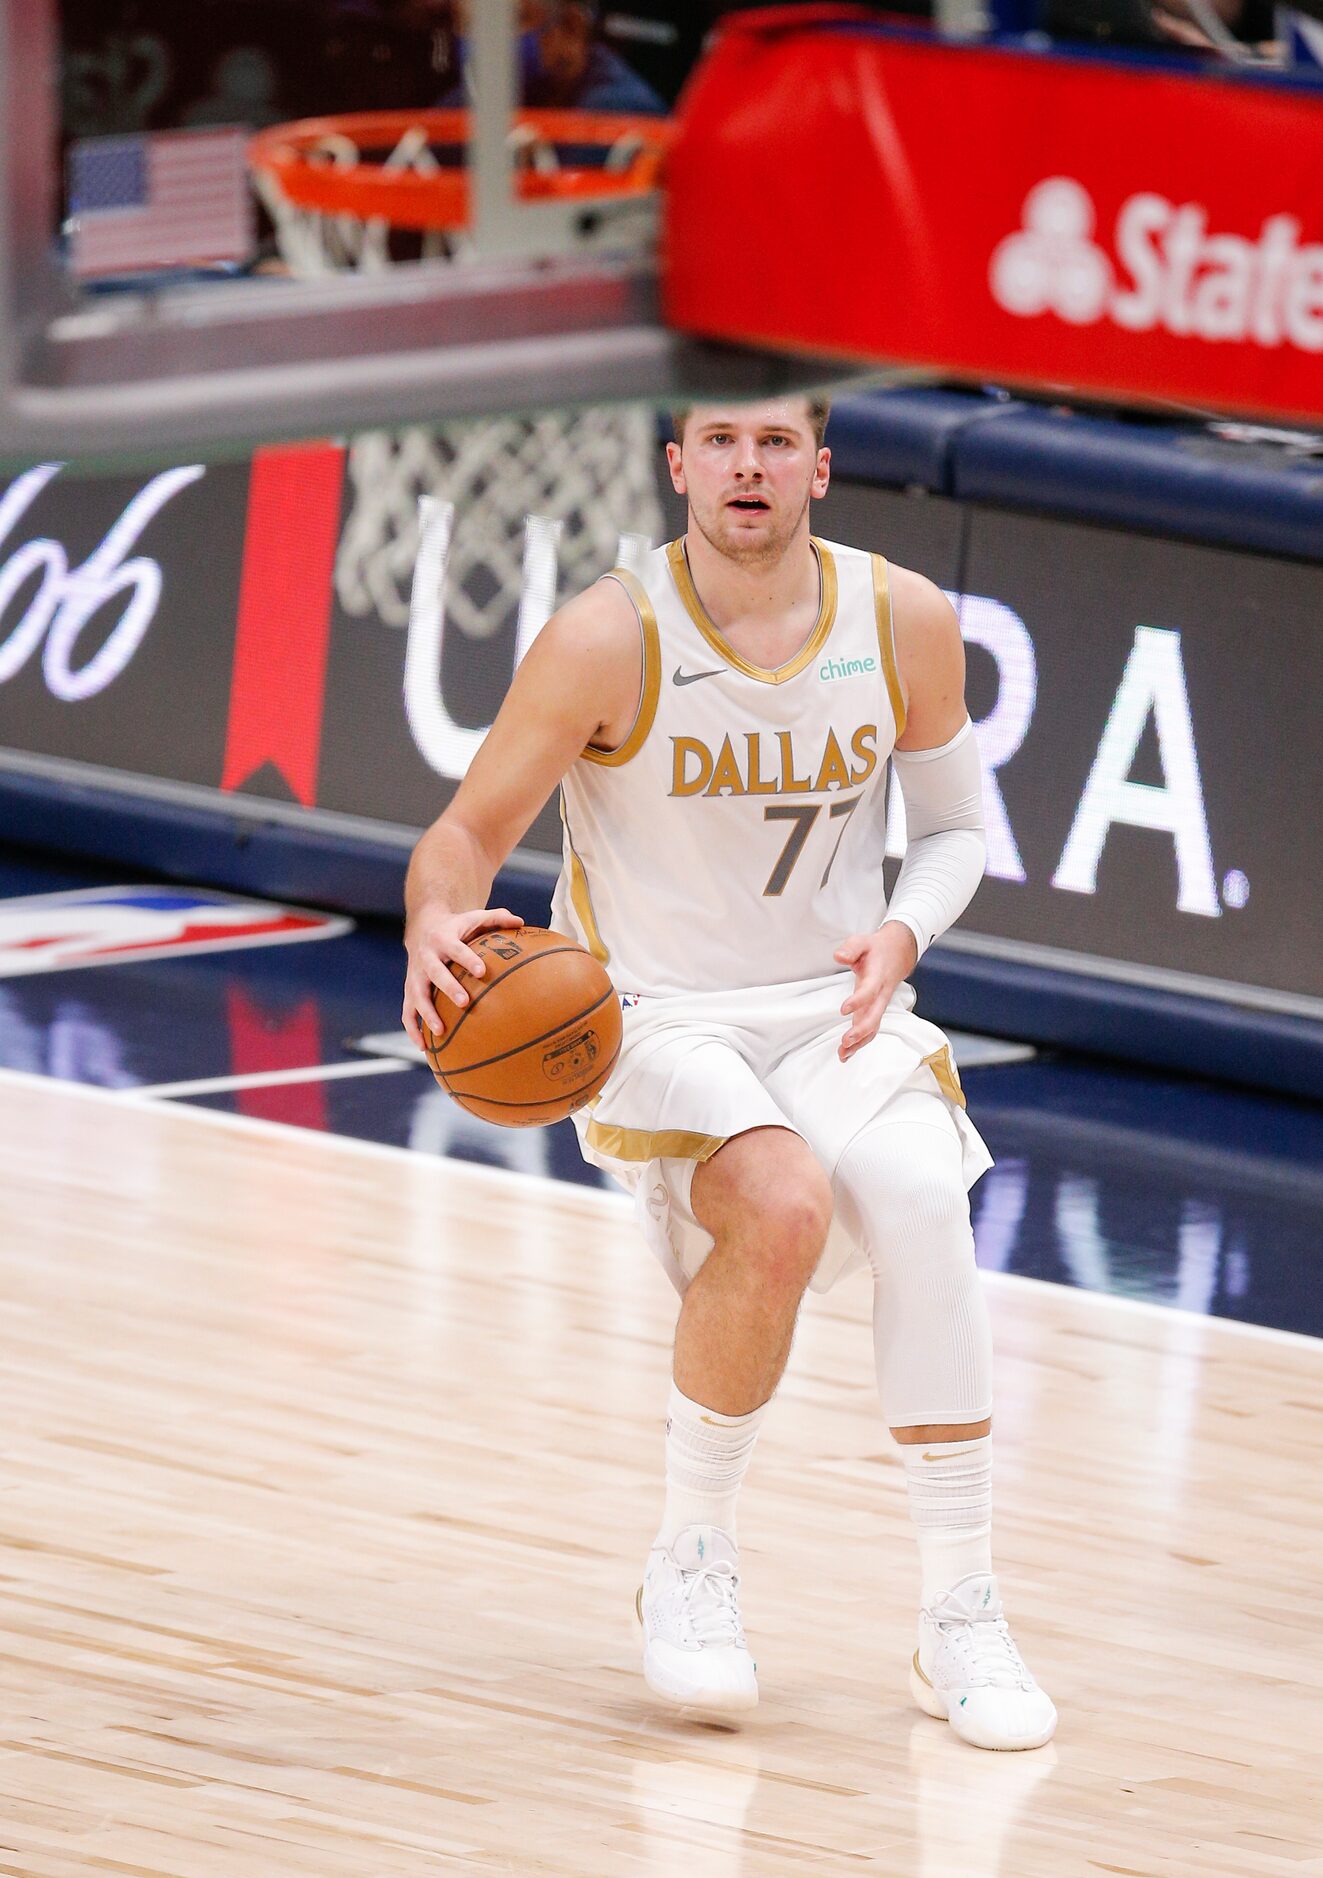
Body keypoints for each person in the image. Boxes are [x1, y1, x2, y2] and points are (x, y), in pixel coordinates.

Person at [402, 396, 1058, 1751]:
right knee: (785, 1200)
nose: (746, 467)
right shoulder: (608, 634)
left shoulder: (903, 619)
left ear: (818, 464)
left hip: (834, 1006)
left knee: (930, 1200)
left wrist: (902, 931)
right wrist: (430, 921)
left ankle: (961, 1608)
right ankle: (691, 1558)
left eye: (773, 443)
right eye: (721, 442)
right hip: (659, 1018)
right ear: (677, 462)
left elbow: (954, 835)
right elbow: (464, 836)